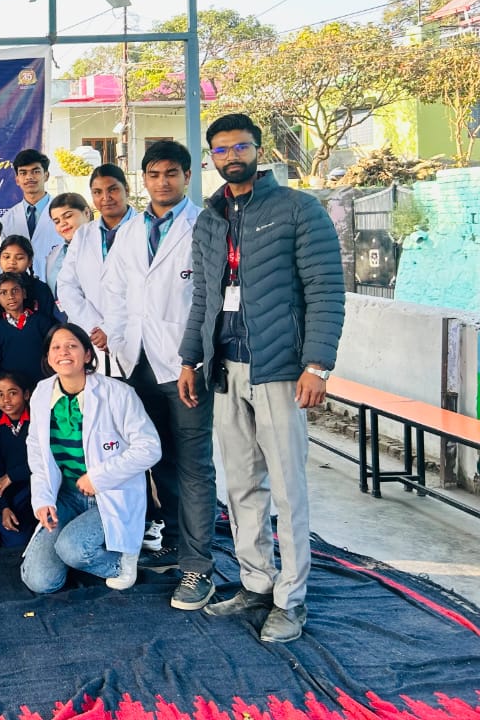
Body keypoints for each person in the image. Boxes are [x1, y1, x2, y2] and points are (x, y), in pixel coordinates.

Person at [178, 113, 345, 644]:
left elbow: (325, 290)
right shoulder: (210, 220)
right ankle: (255, 583)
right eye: (221, 149)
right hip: (225, 369)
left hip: (279, 370)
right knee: (242, 485)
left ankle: (291, 599)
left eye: (240, 146)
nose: (232, 156)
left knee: (288, 489)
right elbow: (203, 297)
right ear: (211, 157)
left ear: (258, 148)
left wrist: (316, 366)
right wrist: (190, 359)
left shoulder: (297, 209)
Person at [101, 140, 215, 611]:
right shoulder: (131, 230)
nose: (162, 182)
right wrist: (117, 340)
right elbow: (114, 292)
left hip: (185, 366)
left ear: (187, 176)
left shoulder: (204, 226)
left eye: (171, 173)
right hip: (137, 363)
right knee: (158, 458)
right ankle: (174, 545)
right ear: (143, 179)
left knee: (193, 465)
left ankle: (198, 567)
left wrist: (194, 359)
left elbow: (209, 298)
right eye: (153, 174)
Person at [20, 324, 161, 596]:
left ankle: (120, 562)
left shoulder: (117, 393)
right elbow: (36, 449)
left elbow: (150, 447)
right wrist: (43, 498)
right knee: (40, 580)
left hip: (110, 496)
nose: (63, 352)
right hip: (67, 496)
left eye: (72, 346)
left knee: (71, 549)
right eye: (56, 347)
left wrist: (98, 477)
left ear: (87, 354)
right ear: (48, 357)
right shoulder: (41, 393)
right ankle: (82, 549)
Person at [57, 163, 135, 373]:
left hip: (134, 336)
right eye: (97, 192)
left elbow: (147, 289)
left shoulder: (145, 230)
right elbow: (66, 286)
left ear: (126, 189)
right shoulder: (83, 234)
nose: (105, 198)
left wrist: (111, 328)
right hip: (93, 337)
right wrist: (95, 327)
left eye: (113, 189)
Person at [0, 372, 34, 547]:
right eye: (0, 394)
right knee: (15, 540)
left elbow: (46, 460)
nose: (6, 400)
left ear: (26, 394)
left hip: (39, 489)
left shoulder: (38, 422)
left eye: (12, 393)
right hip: (12, 497)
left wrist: (13, 475)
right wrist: (4, 507)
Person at [1, 149, 62, 280]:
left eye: (36, 171)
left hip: (57, 286)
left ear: (46, 176)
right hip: (19, 286)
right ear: (17, 179)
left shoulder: (63, 213)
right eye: (23, 173)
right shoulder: (7, 219)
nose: (29, 177)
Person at [45, 193, 92, 302]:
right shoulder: (55, 254)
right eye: (57, 221)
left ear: (86, 213)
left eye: (68, 216)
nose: (62, 224)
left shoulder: (103, 246)